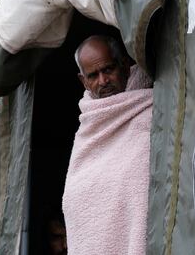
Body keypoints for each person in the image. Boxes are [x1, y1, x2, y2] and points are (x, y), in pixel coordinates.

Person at [62, 35, 153, 255]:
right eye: (93, 75)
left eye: (108, 69)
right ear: (83, 81)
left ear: (124, 66)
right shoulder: (88, 127)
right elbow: (75, 199)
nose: (103, 81)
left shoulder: (150, 113)